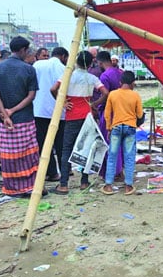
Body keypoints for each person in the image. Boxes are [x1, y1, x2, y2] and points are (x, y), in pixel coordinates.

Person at [49, 51, 109, 195]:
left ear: (76, 62)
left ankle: (63, 184)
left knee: (66, 150)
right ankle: (84, 181)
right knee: (87, 149)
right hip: (87, 117)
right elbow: (106, 93)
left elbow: (53, 89)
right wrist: (94, 104)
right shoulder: (92, 78)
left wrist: (63, 102)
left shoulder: (68, 76)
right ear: (89, 64)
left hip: (71, 117)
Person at [0, 36, 43, 197]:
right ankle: (29, 186)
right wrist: (12, 111)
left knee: (8, 155)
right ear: (23, 50)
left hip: (5, 120)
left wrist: (5, 114)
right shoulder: (29, 69)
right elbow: (31, 96)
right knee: (28, 154)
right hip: (24, 119)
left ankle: (12, 187)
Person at [101, 70, 143, 195]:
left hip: (116, 127)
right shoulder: (135, 95)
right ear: (133, 83)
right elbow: (140, 114)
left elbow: (107, 114)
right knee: (129, 157)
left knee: (112, 156)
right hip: (130, 127)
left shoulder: (113, 95)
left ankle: (108, 185)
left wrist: (108, 128)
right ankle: (128, 186)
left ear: (120, 82)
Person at [33, 46, 69, 181]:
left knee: (43, 144)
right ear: (64, 57)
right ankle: (65, 172)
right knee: (61, 144)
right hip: (58, 111)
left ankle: (51, 172)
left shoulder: (37, 65)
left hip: (39, 110)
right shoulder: (63, 68)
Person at [91, 50, 124, 180]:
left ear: (99, 62)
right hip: (122, 111)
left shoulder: (105, 76)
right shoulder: (120, 72)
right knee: (120, 142)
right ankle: (120, 171)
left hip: (109, 112)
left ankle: (112, 172)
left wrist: (95, 104)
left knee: (108, 142)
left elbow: (105, 95)